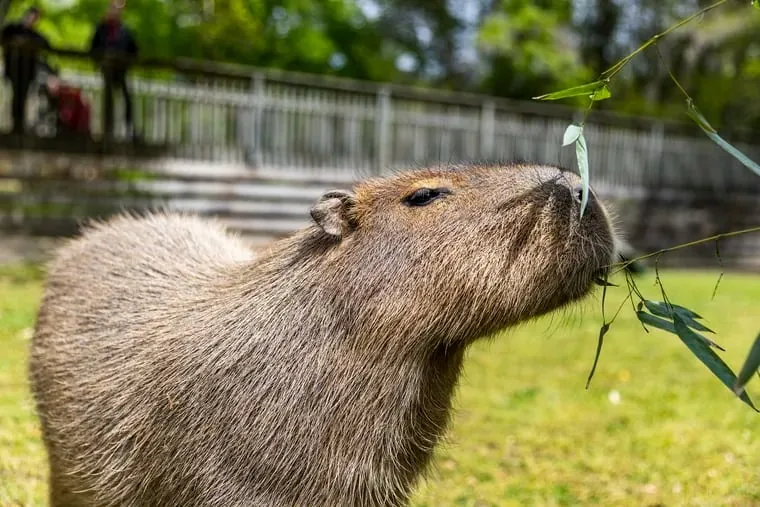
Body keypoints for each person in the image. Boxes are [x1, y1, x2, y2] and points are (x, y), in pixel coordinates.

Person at [89, 0, 138, 139]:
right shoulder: (101, 29)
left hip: (121, 71)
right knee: (108, 100)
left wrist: (126, 63)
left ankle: (129, 130)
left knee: (127, 99)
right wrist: (101, 62)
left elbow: (134, 50)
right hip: (107, 70)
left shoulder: (125, 30)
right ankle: (107, 131)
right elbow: (93, 48)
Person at [1, 6, 50, 134]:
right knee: (14, 96)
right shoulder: (12, 29)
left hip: (27, 72)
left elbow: (46, 44)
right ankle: (13, 123)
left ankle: (19, 124)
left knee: (22, 97)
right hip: (13, 70)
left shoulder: (35, 36)